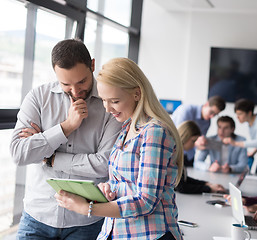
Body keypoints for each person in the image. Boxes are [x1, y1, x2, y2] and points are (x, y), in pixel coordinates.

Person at [54, 58, 184, 239]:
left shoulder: (155, 133)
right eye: (104, 101)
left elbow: (146, 201)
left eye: (114, 101)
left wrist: (87, 208)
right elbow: (127, 183)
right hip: (118, 232)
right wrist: (110, 188)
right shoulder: (127, 129)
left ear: (137, 94)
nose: (107, 109)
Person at [10, 39, 122, 239]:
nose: (76, 91)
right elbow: (19, 153)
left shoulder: (111, 104)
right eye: (66, 84)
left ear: (92, 65)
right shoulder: (38, 98)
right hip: (37, 217)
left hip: (86, 222)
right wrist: (66, 127)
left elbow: (105, 165)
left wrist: (50, 157)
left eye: (82, 82)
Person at [223, 98, 257, 175]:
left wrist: (235, 143)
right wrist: (253, 152)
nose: (237, 117)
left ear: (249, 113)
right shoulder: (250, 123)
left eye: (240, 114)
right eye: (236, 114)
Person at [171, 95, 226, 166]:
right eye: (211, 112)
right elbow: (180, 136)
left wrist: (201, 143)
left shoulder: (207, 122)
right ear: (206, 104)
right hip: (175, 154)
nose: (212, 116)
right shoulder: (186, 110)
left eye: (215, 114)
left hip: (189, 155)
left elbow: (198, 140)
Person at [175, 120, 226, 194]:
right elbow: (182, 187)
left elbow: (183, 179)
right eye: (193, 141)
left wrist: (206, 184)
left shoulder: (179, 153)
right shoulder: (174, 155)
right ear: (185, 137)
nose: (194, 145)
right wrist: (209, 189)